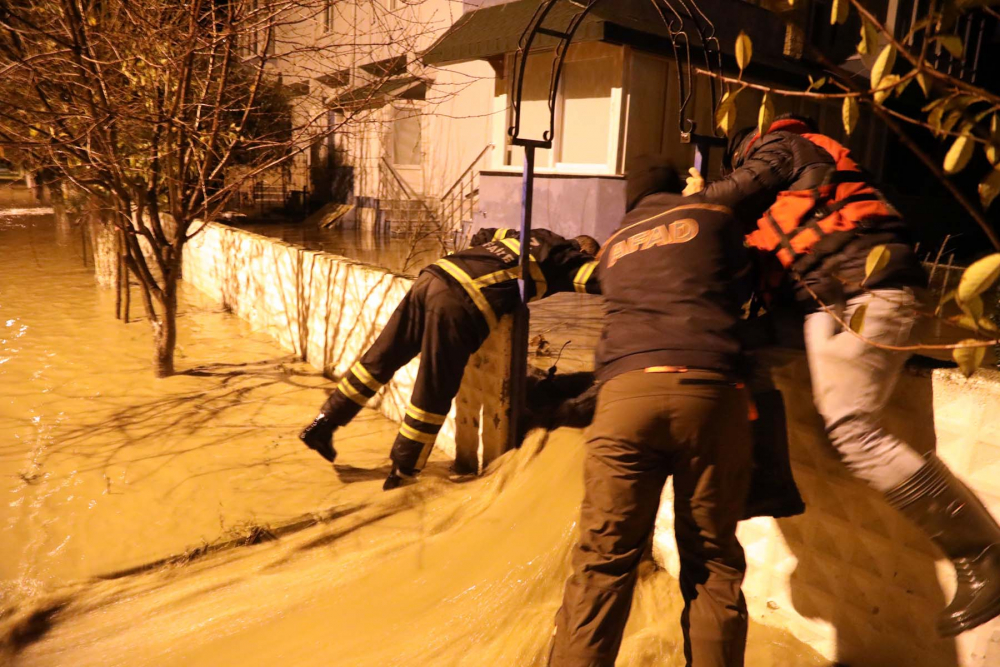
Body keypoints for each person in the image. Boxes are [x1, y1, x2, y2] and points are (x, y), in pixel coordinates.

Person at [686, 113, 1000, 637]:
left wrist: (699, 195)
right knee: (737, 350)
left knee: (853, 430)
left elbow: (732, 193)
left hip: (868, 291)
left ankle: (982, 552)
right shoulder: (776, 204)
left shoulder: (788, 146)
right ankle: (768, 485)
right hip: (828, 302)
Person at [550, 192, 754, 667]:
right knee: (713, 563)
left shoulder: (615, 245)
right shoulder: (712, 214)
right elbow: (742, 287)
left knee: (601, 565)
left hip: (625, 396)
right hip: (709, 391)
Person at [299, 227, 601, 490]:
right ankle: (404, 472)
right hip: (460, 301)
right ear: (584, 251)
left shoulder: (527, 233)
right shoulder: (566, 260)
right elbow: (603, 281)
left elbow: (483, 234)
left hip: (433, 276)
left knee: (380, 359)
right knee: (434, 387)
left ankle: (323, 425)